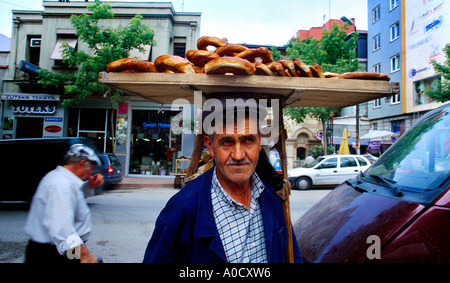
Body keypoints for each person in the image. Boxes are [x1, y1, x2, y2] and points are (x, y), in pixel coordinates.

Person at [143, 97, 302, 263]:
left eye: (248, 140)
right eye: (227, 142)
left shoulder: (273, 198)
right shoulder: (181, 210)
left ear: (260, 141)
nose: (239, 155)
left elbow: (291, 255)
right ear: (210, 146)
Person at [24, 144, 104, 264]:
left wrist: (89, 186)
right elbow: (63, 230)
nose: (91, 173)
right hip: (54, 252)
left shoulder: (61, 179)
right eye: (91, 168)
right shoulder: (60, 185)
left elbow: (73, 199)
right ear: (83, 163)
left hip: (62, 249)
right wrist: (85, 256)